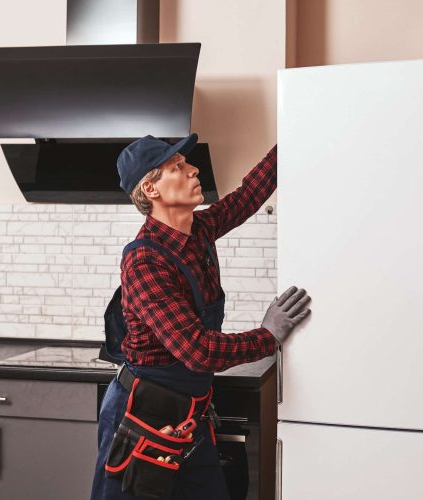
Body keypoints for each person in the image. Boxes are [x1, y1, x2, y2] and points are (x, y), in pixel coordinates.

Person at [91, 134, 310, 500]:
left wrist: (294, 132)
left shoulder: (200, 230)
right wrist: (267, 335)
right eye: (177, 167)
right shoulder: (144, 260)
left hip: (189, 417)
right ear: (151, 189)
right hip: (142, 419)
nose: (193, 169)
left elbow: (246, 197)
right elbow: (198, 351)